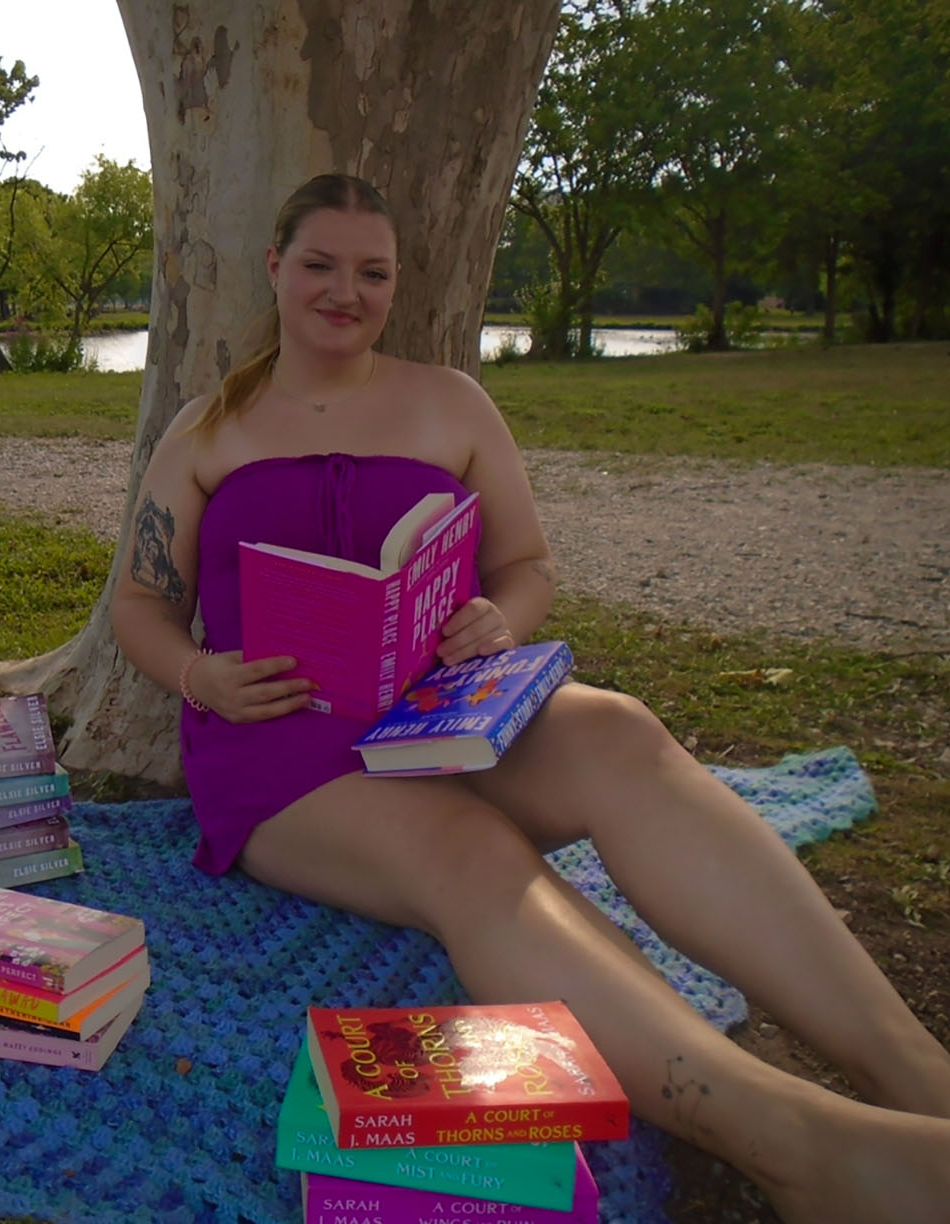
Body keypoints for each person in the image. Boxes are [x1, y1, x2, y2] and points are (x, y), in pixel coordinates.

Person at [109, 173, 950, 1223]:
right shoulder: (209, 427)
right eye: (320, 264)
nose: (345, 291)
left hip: (437, 717)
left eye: (373, 272)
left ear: (397, 284)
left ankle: (921, 1079)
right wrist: (201, 676)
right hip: (278, 750)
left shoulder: (452, 401)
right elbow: (140, 602)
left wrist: (498, 620)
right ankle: (804, 1151)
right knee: (470, 855)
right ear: (277, 269)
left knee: (619, 731)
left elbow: (528, 565)